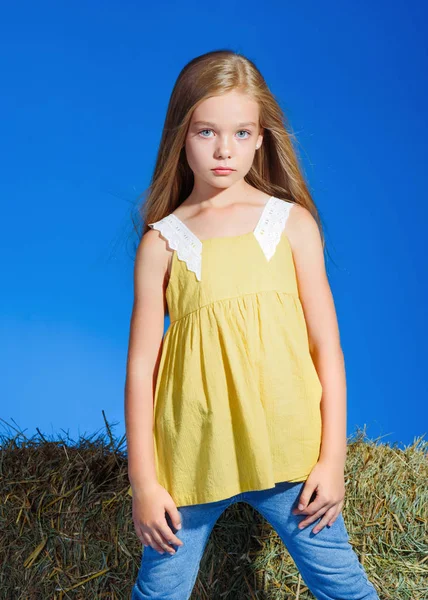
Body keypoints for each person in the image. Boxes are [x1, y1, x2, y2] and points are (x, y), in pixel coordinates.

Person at [125, 50, 379, 600]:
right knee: (159, 591)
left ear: (262, 136)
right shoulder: (162, 242)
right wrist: (144, 482)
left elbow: (326, 349)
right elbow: (141, 369)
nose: (224, 149)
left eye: (241, 132)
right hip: (190, 457)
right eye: (206, 132)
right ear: (180, 136)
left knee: (343, 587)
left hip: (288, 450)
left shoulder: (291, 225)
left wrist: (332, 460)